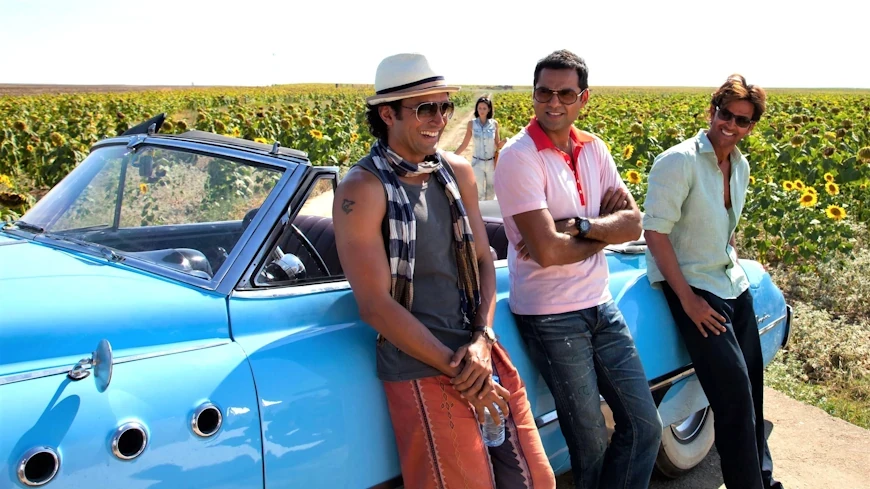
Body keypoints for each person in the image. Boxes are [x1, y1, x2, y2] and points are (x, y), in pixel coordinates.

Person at [333, 52, 555, 489]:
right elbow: (375, 305)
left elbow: (483, 260)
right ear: (387, 114)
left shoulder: (457, 172)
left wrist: (483, 340)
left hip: (478, 352)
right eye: (424, 108)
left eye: (444, 106)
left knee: (536, 480)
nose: (438, 119)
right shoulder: (363, 189)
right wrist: (461, 370)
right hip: (420, 365)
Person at [492, 49, 662, 489]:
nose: (554, 102)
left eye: (565, 93)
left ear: (583, 98)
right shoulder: (519, 156)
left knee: (645, 426)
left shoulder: (595, 148)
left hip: (600, 304)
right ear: (533, 95)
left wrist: (581, 226)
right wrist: (604, 230)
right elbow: (548, 252)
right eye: (544, 92)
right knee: (590, 446)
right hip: (550, 315)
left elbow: (634, 224)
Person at [643, 75, 783, 489]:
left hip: (732, 286)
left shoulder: (740, 166)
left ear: (751, 126)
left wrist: (734, 268)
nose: (731, 125)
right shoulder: (678, 161)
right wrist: (688, 301)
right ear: (712, 110)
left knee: (752, 392)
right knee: (733, 400)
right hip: (697, 291)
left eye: (742, 120)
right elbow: (655, 233)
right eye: (725, 114)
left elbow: (725, 229)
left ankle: (764, 480)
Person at [455, 96, 505, 201]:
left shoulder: (494, 124)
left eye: (484, 108)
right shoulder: (471, 124)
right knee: (479, 193)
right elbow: (464, 144)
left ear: (489, 109)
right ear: (476, 109)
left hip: (491, 163)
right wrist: (452, 157)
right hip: (477, 163)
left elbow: (497, 145)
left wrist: (506, 141)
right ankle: (480, 211)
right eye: (479, 108)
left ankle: (489, 211)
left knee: (491, 192)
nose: (481, 111)